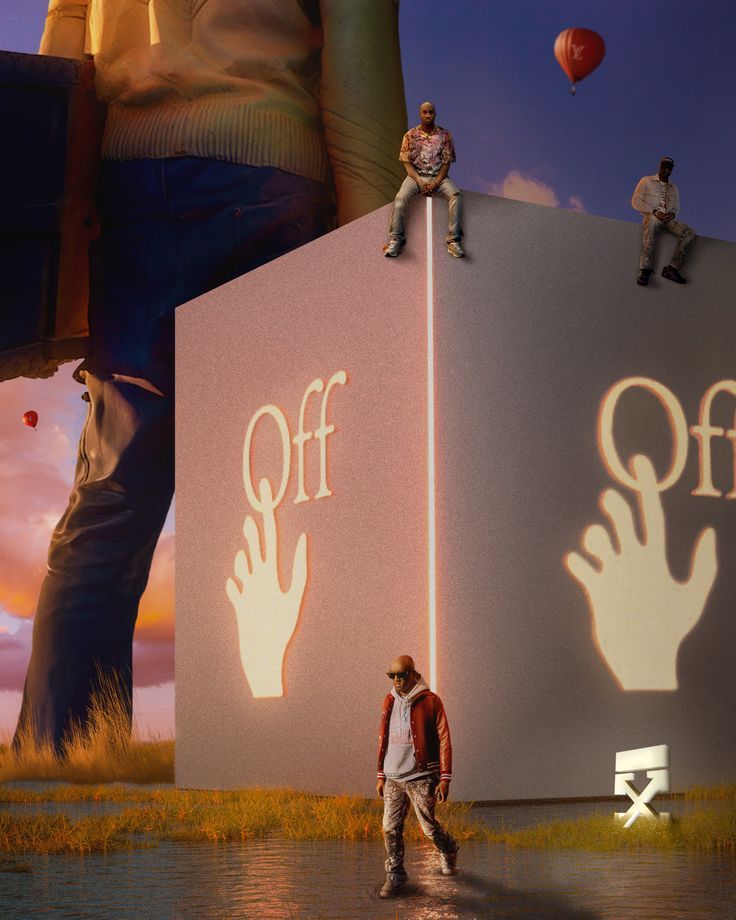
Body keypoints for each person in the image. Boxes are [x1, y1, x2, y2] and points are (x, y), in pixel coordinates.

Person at [14, 0, 407, 753]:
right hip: (270, 183)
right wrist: (379, 265)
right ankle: (286, 754)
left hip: (124, 196)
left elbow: (59, 63)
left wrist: (61, 269)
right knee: (286, 488)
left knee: (109, 502)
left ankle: (59, 772)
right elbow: (359, 63)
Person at [376, 654, 458, 899]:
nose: (397, 680)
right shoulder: (388, 701)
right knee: (389, 828)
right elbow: (383, 738)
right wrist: (380, 774)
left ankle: (449, 849)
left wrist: (444, 778)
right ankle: (396, 875)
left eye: (401, 675)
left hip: (421, 776)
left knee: (428, 827)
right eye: (392, 676)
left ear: (413, 674)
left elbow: (444, 738)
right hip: (392, 776)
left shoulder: (431, 701)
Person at [384, 101, 464, 258]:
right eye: (425, 112)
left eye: (431, 112)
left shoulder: (445, 135)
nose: (428, 115)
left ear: (435, 114)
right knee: (400, 197)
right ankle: (396, 240)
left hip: (438, 177)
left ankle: (453, 241)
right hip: (415, 176)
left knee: (456, 195)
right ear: (420, 114)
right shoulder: (410, 135)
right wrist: (420, 182)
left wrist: (435, 182)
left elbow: (446, 163)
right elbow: (407, 164)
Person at [631, 156, 695, 285]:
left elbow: (676, 207)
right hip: (652, 216)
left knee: (689, 233)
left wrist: (671, 215)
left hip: (667, 220)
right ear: (659, 167)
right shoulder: (646, 181)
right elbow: (635, 201)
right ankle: (645, 269)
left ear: (672, 171)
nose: (666, 170)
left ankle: (672, 269)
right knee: (650, 223)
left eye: (669, 168)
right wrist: (654, 211)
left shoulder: (673, 188)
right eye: (664, 167)